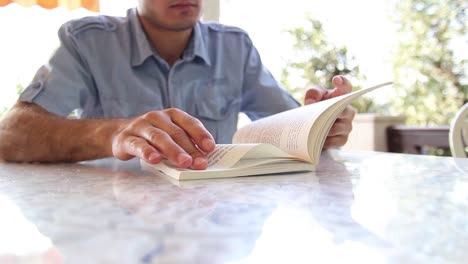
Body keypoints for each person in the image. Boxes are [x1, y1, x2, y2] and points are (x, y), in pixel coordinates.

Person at [0, 0, 355, 170]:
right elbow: (11, 135)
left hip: (216, 225)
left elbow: (290, 128)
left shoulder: (235, 46)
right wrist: (115, 133)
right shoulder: (87, 41)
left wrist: (322, 122)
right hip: (116, 228)